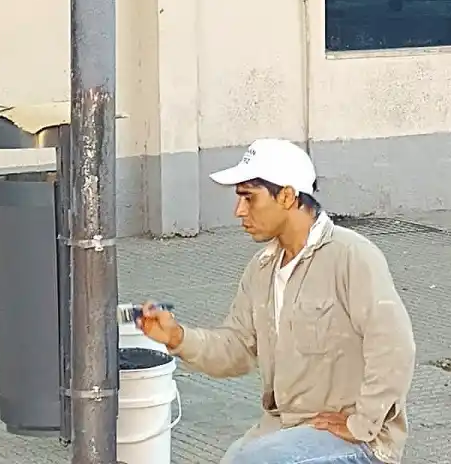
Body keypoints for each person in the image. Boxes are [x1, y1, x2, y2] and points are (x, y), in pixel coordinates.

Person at [137, 139, 415, 464]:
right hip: (285, 430)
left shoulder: (352, 255)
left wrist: (363, 423)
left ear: (286, 195)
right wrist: (177, 338)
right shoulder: (262, 268)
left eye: (249, 198)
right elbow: (238, 348)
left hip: (358, 443)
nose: (238, 211)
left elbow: (395, 347)